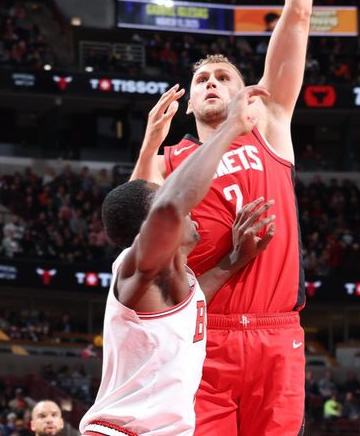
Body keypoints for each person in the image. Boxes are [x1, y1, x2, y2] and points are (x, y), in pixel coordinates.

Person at [130, 0, 334, 436]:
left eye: (224, 77)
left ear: (250, 97)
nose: (212, 82)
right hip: (204, 334)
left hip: (276, 332)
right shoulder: (172, 161)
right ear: (190, 103)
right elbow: (134, 241)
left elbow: (297, 14)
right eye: (202, 80)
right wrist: (148, 146)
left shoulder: (267, 125)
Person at [81, 86, 276, 436]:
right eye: (163, 196)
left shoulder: (173, 281)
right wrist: (230, 127)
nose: (186, 208)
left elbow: (194, 299)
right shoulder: (137, 269)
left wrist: (234, 259)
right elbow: (171, 205)